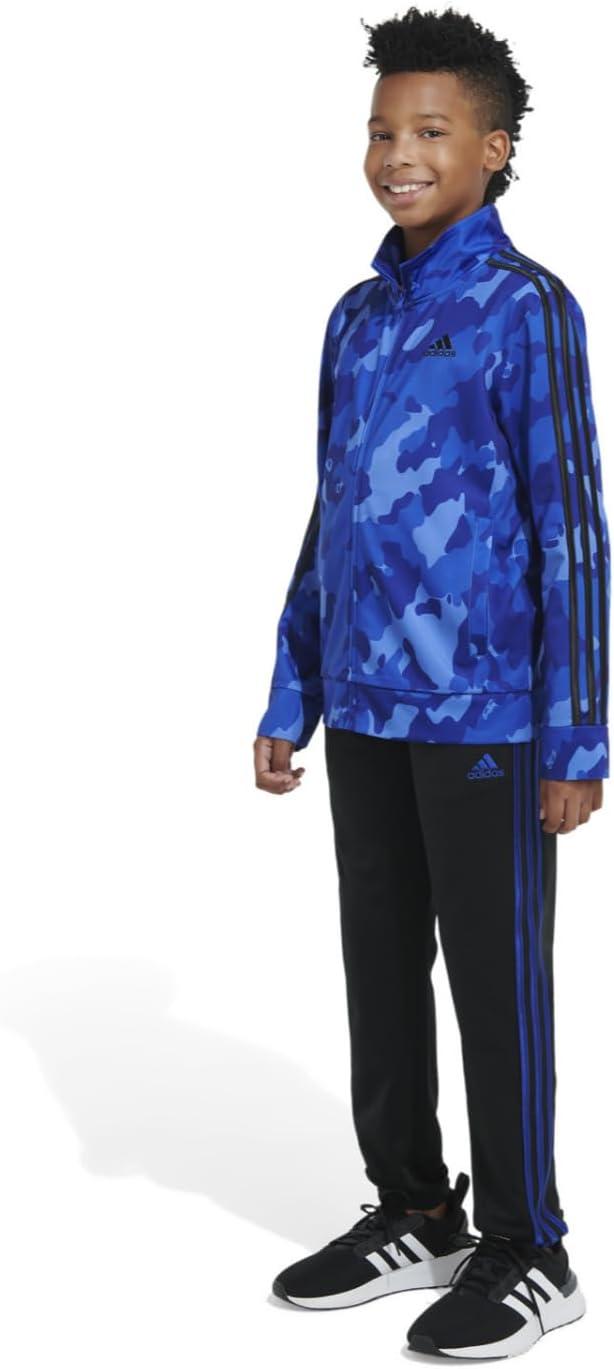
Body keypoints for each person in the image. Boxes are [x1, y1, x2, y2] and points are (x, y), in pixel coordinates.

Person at [253, 5, 610, 1358]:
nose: (399, 154)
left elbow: (572, 529)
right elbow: (334, 510)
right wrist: (291, 688)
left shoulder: (526, 308)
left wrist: (576, 734)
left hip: (490, 717)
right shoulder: (355, 317)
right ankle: (414, 1206)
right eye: (381, 131)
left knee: (496, 982)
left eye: (431, 131)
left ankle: (531, 1247)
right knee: (381, 964)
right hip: (366, 706)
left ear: (493, 148)